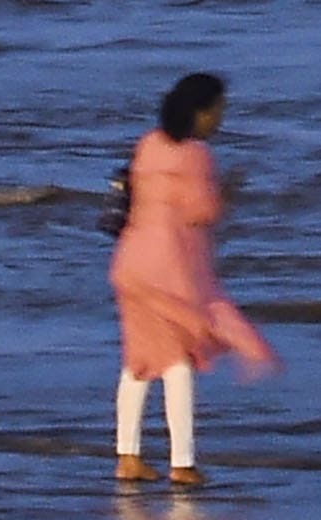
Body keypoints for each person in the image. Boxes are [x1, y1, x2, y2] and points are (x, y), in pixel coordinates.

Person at [111, 70, 274, 484]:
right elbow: (203, 213)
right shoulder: (196, 155)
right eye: (218, 111)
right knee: (176, 360)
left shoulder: (148, 144)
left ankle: (127, 456)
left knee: (138, 361)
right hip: (170, 269)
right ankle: (182, 463)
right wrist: (229, 191)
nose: (220, 119)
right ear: (200, 113)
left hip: (131, 261)